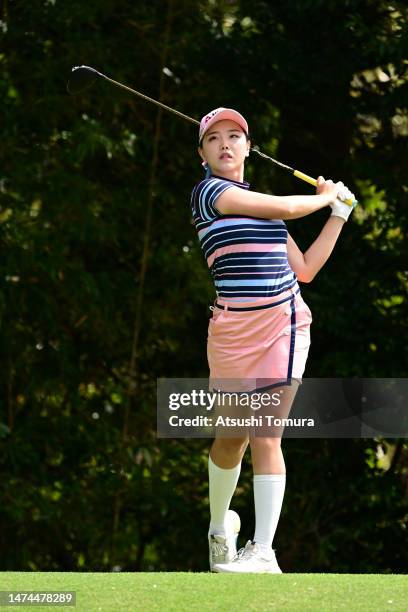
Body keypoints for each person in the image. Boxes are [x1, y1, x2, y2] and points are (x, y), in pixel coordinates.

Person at [190, 108, 356, 574]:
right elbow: (286, 206)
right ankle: (219, 528)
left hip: (281, 324)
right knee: (230, 439)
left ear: (248, 148)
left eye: (234, 137)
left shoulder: (263, 212)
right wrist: (323, 197)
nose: (225, 144)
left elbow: (304, 270)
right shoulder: (210, 194)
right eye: (214, 139)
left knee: (266, 433)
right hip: (230, 330)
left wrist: (337, 215)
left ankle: (263, 550)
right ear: (203, 155)